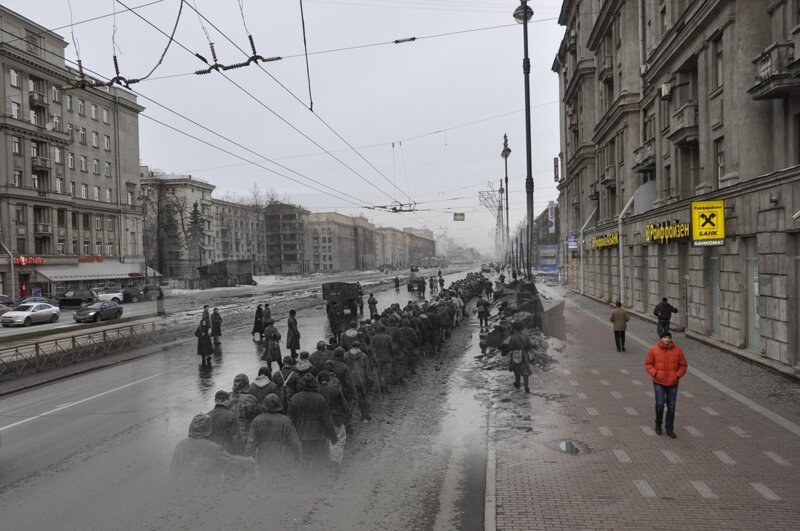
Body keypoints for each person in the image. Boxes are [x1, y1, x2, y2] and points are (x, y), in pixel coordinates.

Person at [169, 413, 252, 481]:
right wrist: (248, 461)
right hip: (205, 490)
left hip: (184, 487)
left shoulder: (181, 444)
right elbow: (231, 462)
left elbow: (173, 468)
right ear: (208, 428)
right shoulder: (213, 447)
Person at [288, 374, 338, 467]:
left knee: (304, 460)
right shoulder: (320, 398)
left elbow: (290, 420)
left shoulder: (294, 398)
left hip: (301, 435)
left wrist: (290, 438)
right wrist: (333, 435)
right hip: (318, 435)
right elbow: (327, 419)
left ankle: (305, 479)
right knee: (320, 460)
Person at [246, 394, 303, 477]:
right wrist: (298, 460)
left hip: (264, 456)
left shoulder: (257, 420)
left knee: (265, 481)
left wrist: (250, 459)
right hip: (283, 457)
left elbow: (251, 443)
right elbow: (295, 442)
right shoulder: (286, 421)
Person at [645, 332, 688, 438]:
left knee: (672, 407)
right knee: (660, 404)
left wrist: (677, 376)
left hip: (673, 382)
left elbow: (683, 365)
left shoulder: (678, 351)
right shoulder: (653, 350)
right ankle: (658, 424)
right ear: (661, 339)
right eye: (665, 337)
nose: (667, 339)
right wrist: (655, 374)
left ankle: (670, 428)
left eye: (669, 337)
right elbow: (648, 364)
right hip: (659, 381)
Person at [317, 370, 350, 466]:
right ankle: (336, 459)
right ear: (329, 379)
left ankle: (328, 458)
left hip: (322, 420)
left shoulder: (316, 392)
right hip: (336, 418)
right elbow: (344, 405)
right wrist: (347, 416)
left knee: (327, 439)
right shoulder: (335, 390)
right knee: (340, 438)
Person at [207, 390, 245, 456]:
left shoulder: (207, 416)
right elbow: (236, 438)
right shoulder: (231, 416)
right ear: (226, 401)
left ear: (215, 400)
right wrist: (242, 454)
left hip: (211, 451)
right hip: (227, 451)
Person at [344, 341, 374, 423]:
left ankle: (353, 418)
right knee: (363, 398)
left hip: (351, 380)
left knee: (353, 399)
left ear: (352, 346)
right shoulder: (364, 356)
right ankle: (365, 416)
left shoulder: (346, 355)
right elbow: (368, 369)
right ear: (359, 346)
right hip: (362, 380)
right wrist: (370, 380)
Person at [502, 321, 535, 393]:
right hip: (524, 354)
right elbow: (529, 345)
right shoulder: (525, 336)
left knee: (516, 369)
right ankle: (526, 386)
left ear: (515, 329)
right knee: (525, 369)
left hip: (515, 354)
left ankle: (518, 384)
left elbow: (510, 346)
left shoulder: (512, 337)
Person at [228, 374, 260, 442]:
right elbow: (257, 418)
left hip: (230, 434)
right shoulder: (251, 399)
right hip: (246, 434)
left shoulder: (228, 397)